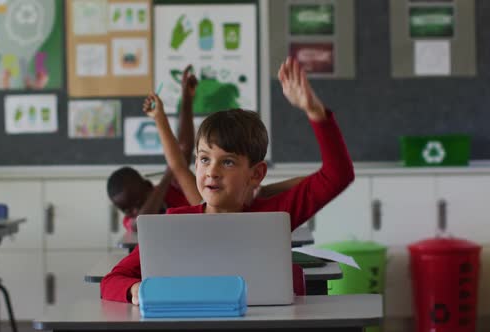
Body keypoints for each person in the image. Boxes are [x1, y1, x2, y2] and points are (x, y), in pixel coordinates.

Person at [101, 57, 354, 304]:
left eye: (228, 162)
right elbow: (112, 280)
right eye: (204, 159)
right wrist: (134, 289)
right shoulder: (174, 224)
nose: (212, 171)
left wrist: (315, 112)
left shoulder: (274, 215)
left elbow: (338, 175)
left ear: (256, 174)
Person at [107, 65, 198, 232]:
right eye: (127, 210)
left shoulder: (175, 189)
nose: (134, 212)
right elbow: (141, 223)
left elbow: (184, 148)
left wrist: (186, 99)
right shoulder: (131, 221)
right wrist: (168, 174)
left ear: (149, 187)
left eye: (138, 204)